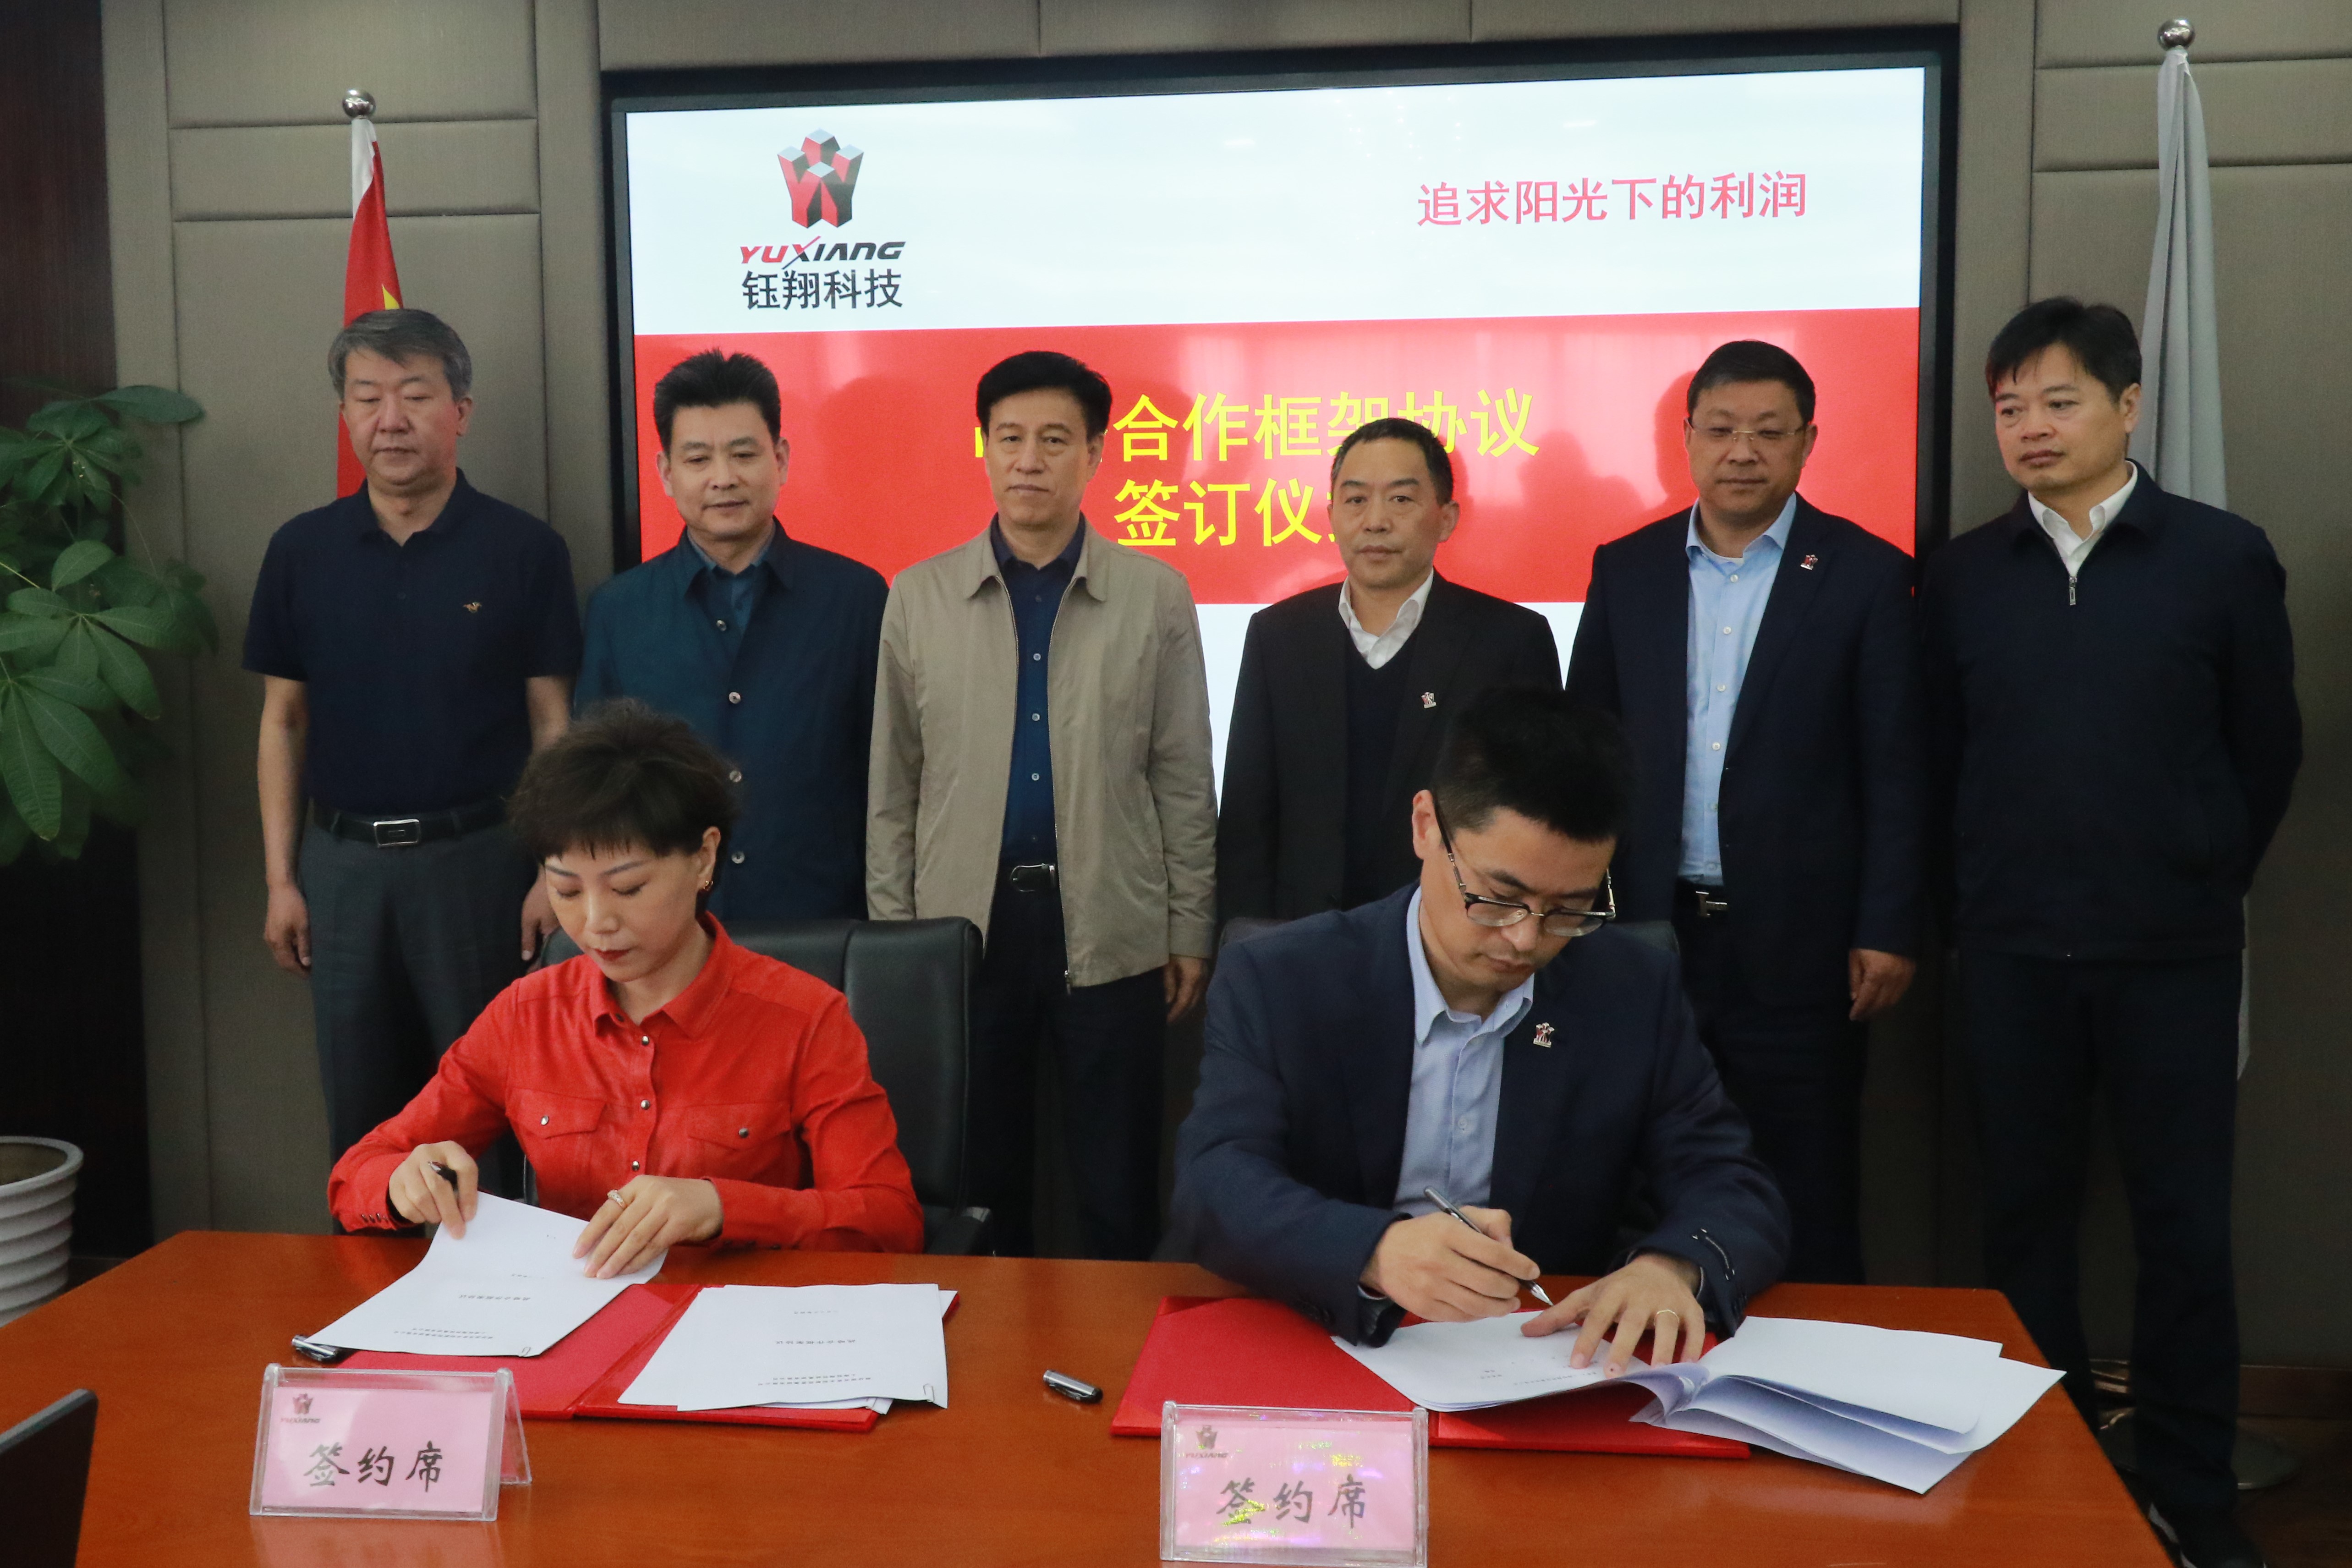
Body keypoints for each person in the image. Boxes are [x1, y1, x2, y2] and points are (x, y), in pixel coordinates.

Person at [1923, 299, 2299, 1568]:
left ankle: (2193, 1488)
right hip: (2011, 951)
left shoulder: (2219, 557)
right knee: (2021, 1225)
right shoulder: (1963, 576)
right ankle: (2050, 1472)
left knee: (2182, 1228)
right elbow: (1937, 760)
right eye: (2008, 406)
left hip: (2170, 956)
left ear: (2127, 406)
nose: (2029, 427)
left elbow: (2265, 749)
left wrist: (2194, 871)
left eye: (2058, 400)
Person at [1174, 687, 1787, 1358]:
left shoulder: (1632, 989)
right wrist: (1374, 1249)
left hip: (1541, 1353)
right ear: (1426, 827)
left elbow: (1730, 1182)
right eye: (1499, 897)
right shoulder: (1282, 979)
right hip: (1323, 1341)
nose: (1526, 939)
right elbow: (1216, 1182)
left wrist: (1669, 1267)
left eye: (1569, 908)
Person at [1563, 340, 1923, 1285]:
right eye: (1720, 429)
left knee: (1805, 1176)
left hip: (1801, 942)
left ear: (1807, 441)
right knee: (1636, 1168)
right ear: (1686, 438)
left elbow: (1895, 767)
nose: (1741, 451)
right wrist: (1579, 915)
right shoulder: (1627, 568)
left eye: (1768, 432)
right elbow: (1583, 753)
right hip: (1648, 932)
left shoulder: (1864, 575)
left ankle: (1812, 1364)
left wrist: (1886, 926)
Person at [328, 699, 924, 1266]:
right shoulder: (525, 1015)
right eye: (566, 890)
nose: (596, 921)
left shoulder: (805, 1018)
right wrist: (402, 1183)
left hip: (734, 1317)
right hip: (570, 1318)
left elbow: (890, 1220)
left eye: (629, 887)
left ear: (703, 857)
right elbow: (355, 1175)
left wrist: (722, 1206)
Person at [868, 350, 1217, 1260]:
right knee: (980, 1179)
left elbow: (1183, 776)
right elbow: (893, 786)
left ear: (1095, 454)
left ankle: (1122, 1339)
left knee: (1115, 1179)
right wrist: (900, 938)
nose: (1029, 460)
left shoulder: (1154, 595)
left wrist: (1188, 927)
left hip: (1110, 919)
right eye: (1010, 437)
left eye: (1055, 440)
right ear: (982, 448)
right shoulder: (918, 595)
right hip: (963, 929)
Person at [247, 308, 580, 1169]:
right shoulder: (301, 551)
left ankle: (497, 1264)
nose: (389, 420)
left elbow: (552, 722)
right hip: (342, 870)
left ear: (460, 410)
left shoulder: (525, 550)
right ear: (345, 414)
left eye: (415, 395)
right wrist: (282, 879)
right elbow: (283, 720)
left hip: (479, 864)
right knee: (364, 1123)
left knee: (494, 1112)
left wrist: (552, 869)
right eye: (367, 398)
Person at [576, 349, 883, 920]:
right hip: (672, 923)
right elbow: (597, 786)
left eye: (744, 454)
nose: (724, 478)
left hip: (822, 916)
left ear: (780, 459)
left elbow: (886, 772)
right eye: (698, 458)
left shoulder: (858, 598)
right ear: (667, 473)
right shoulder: (619, 611)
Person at [1218, 417, 1561, 924]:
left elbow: (1535, 813)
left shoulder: (1510, 640)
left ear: (1446, 518)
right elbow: (1248, 814)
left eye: (1401, 499)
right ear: (1332, 515)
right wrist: (1244, 938)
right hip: (1304, 935)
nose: (1375, 521)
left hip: (1458, 932)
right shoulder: (1279, 636)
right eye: (1356, 500)